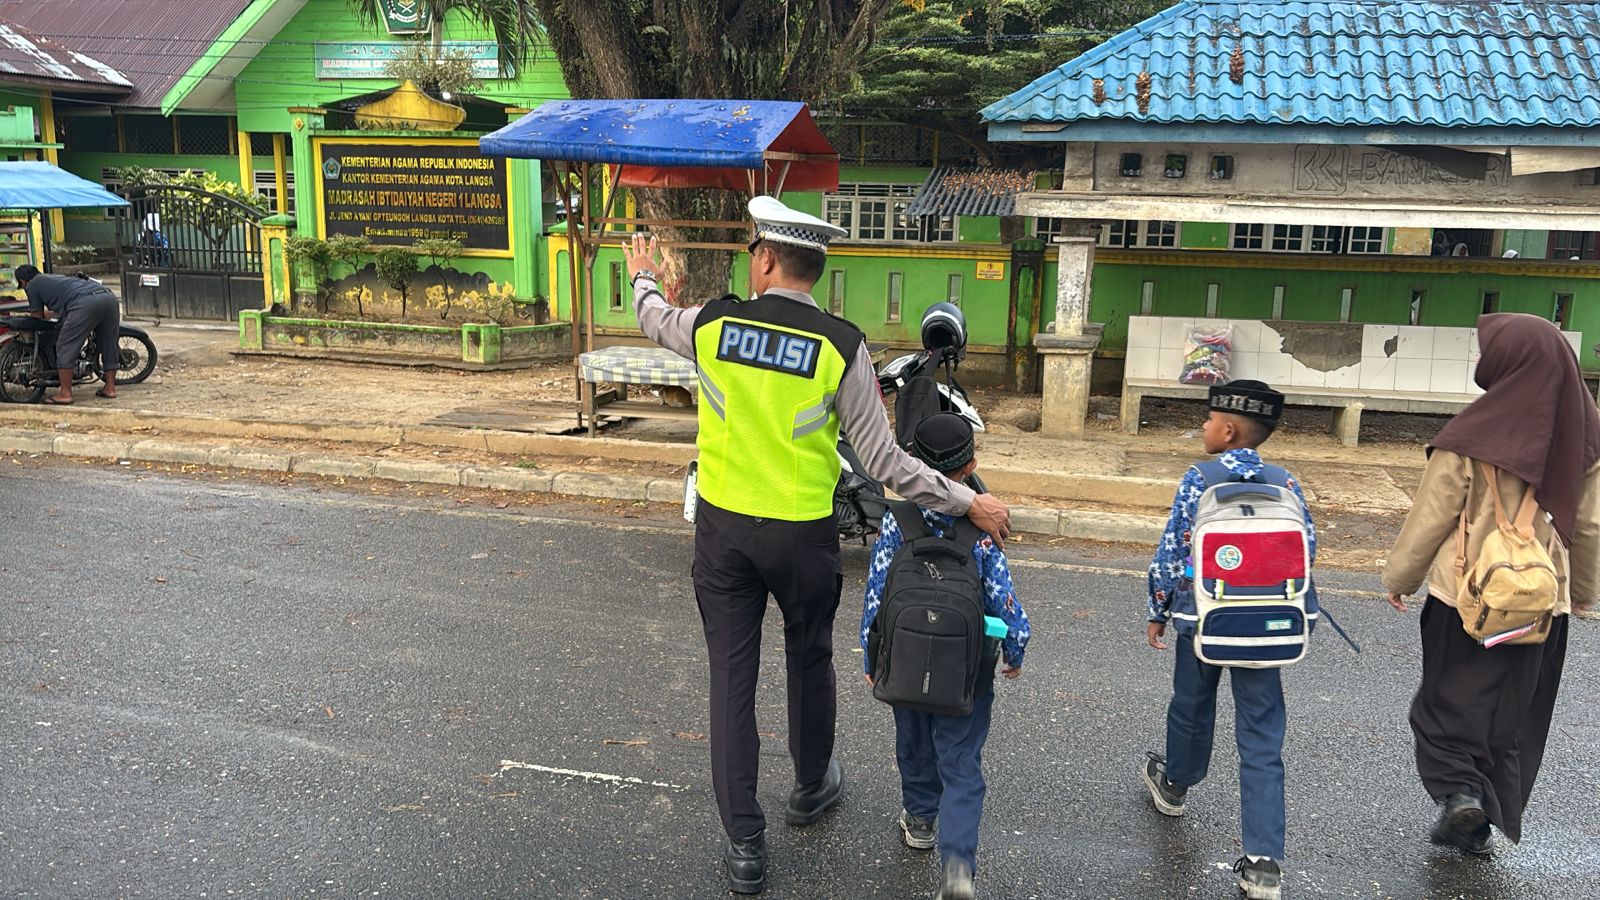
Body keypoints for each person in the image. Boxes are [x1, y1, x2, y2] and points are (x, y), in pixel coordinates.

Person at [622, 197, 1011, 895]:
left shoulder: (715, 323)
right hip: (802, 536)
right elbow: (887, 464)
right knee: (809, 658)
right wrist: (966, 499)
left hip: (724, 534)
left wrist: (645, 277)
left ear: (766, 259)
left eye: (751, 252)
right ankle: (809, 784)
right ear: (814, 269)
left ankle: (745, 843)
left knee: (731, 680)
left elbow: (652, 319)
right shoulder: (840, 345)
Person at [1382, 313, 1599, 855]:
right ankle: (1481, 820)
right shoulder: (1586, 438)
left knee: (1444, 704)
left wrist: (1401, 578)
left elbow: (1432, 516)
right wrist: (1582, 593)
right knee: (1513, 712)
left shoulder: (1470, 435)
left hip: (1465, 601)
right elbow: (1591, 525)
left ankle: (1459, 797)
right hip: (1541, 608)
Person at [1141, 380, 1314, 900]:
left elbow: (1173, 551)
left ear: (1230, 429)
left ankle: (1174, 784)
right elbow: (1305, 548)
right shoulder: (1286, 482)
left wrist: (1158, 608)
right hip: (1266, 626)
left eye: (1209, 418)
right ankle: (1262, 863)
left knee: (1191, 705)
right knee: (1262, 735)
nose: (1203, 426)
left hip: (1203, 620)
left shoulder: (1200, 479)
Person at [858, 412, 1030, 900]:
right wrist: (1015, 645)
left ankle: (919, 818)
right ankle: (957, 866)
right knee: (961, 759)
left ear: (912, 462)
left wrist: (873, 658)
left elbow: (876, 596)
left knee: (913, 741)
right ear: (971, 464)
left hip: (905, 663)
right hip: (967, 671)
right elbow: (1003, 597)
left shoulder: (897, 521)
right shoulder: (981, 526)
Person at [15, 264, 120, 405]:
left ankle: (65, 393)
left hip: (85, 304)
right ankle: (110, 388)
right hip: (108, 298)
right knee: (109, 343)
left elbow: (37, 317)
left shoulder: (32, 285)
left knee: (65, 345)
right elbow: (61, 309)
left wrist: (28, 316)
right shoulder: (53, 278)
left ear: (22, 281)